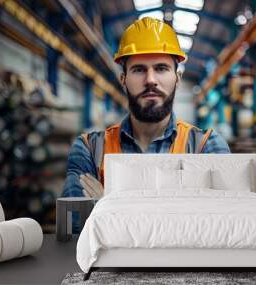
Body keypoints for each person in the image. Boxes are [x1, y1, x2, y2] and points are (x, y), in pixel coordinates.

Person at [61, 17, 230, 231]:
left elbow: (217, 228)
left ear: (177, 78)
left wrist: (110, 207)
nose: (150, 79)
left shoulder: (207, 145)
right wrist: (176, 213)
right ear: (123, 79)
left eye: (161, 68)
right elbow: (75, 230)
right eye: (139, 69)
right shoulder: (88, 149)